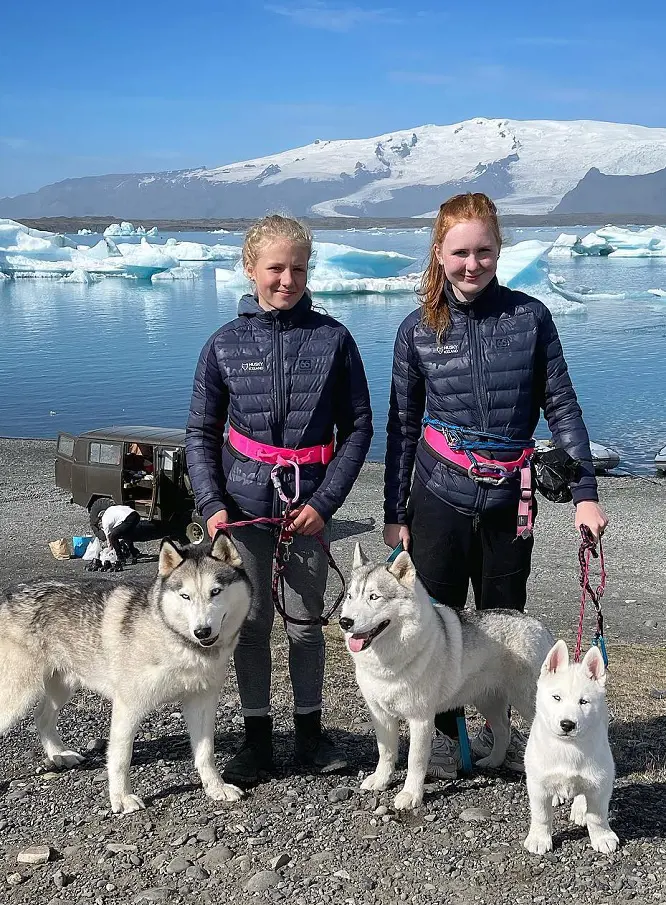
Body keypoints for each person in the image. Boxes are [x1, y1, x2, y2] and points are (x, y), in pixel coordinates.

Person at [383, 192, 608, 780]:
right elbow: (403, 428)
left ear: (499, 250)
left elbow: (561, 405)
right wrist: (394, 511)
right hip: (439, 495)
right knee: (434, 625)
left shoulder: (530, 318)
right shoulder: (417, 330)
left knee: (504, 624)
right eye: (460, 252)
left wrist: (585, 492)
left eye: (484, 251)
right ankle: (446, 743)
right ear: (439, 252)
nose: (472, 264)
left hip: (512, 501)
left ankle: (510, 740)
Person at [186, 214, 373, 786]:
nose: (287, 279)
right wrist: (211, 504)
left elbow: (360, 428)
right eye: (275, 268)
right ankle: (257, 739)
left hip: (308, 510)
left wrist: (327, 501)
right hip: (241, 513)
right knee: (252, 624)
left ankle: (311, 737)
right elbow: (200, 433)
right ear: (251, 269)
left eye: (297, 267)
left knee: (306, 626)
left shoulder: (335, 339)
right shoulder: (223, 344)